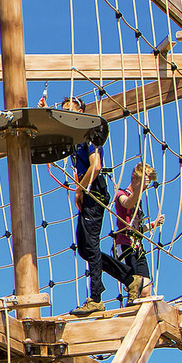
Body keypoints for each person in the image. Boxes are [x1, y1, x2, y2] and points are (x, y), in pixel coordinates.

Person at [63, 98, 111, 317]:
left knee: (90, 245)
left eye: (69, 111)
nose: (65, 115)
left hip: (94, 191)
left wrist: (80, 190)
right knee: (83, 247)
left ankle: (96, 298)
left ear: (80, 111)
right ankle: (129, 277)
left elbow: (96, 166)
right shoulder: (73, 139)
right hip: (87, 190)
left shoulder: (88, 134)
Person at [102, 163, 164, 304]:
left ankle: (141, 311)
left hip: (137, 246)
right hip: (124, 245)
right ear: (135, 179)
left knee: (147, 288)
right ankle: (130, 311)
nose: (145, 188)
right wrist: (137, 190)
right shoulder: (122, 195)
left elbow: (137, 228)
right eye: (144, 183)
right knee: (135, 287)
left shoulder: (138, 202)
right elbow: (127, 204)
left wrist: (154, 223)